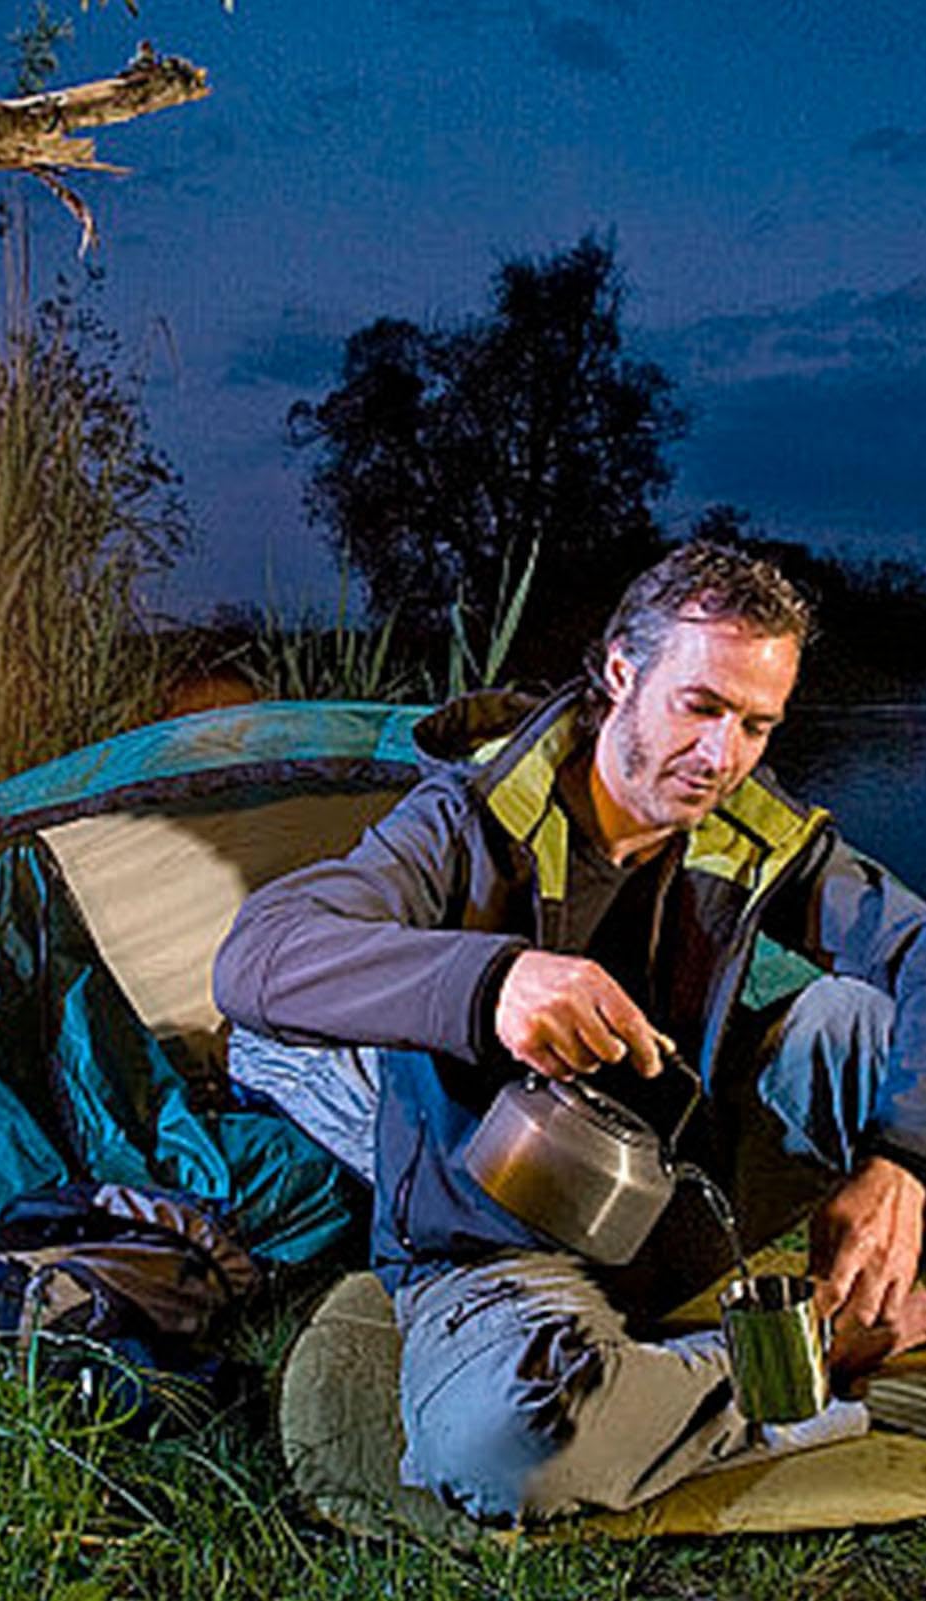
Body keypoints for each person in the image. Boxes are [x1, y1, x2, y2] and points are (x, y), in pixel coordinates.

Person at [212, 541, 926, 1522]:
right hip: (503, 1244)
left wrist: (903, 1158)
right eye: (701, 707)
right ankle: (802, 1371)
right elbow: (257, 956)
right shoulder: (456, 825)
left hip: (689, 1197)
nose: (722, 757)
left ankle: (710, 1359)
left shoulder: (753, 835)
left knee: (866, 1018)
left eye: (756, 725)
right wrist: (492, 978)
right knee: (504, 1446)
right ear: (622, 673)